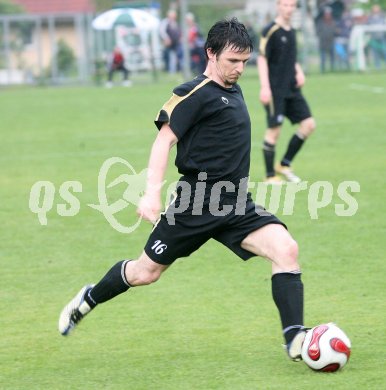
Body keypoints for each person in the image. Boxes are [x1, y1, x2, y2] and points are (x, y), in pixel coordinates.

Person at [59, 18, 307, 362]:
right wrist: (150, 193)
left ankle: (295, 340)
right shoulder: (192, 93)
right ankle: (88, 298)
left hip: (236, 205)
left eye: (245, 62)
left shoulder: (233, 88)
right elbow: (164, 141)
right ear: (210, 53)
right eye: (232, 61)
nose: (239, 69)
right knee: (145, 273)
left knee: (287, 249)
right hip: (193, 206)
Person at [257, 0, 316, 183]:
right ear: (278, 6)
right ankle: (269, 176)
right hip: (276, 90)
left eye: (292, 6)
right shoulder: (270, 30)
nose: (289, 9)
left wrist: (298, 71)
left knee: (308, 125)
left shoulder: (292, 31)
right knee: (274, 131)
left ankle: (284, 163)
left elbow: (291, 57)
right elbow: (261, 59)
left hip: (292, 89)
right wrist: (265, 87)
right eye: (285, 5)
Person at [159, 9, 181, 73]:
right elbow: (162, 32)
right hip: (168, 43)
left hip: (175, 43)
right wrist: (166, 39)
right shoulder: (165, 22)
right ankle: (169, 70)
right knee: (168, 56)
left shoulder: (175, 23)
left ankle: (174, 70)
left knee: (175, 56)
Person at [315, 7, 337, 73]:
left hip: (331, 42)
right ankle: (323, 70)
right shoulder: (320, 22)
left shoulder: (333, 22)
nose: (328, 15)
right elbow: (318, 32)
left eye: (329, 14)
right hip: (323, 42)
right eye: (326, 14)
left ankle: (332, 69)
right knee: (323, 58)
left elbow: (335, 31)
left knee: (332, 57)